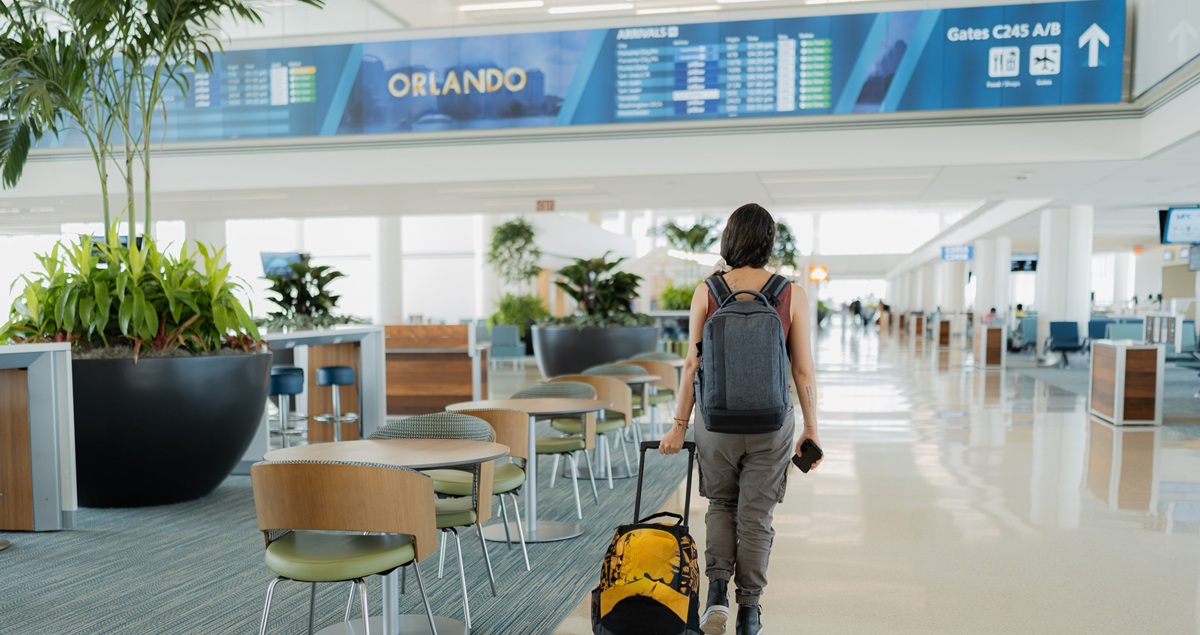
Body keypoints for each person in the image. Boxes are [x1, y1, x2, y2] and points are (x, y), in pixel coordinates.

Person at [660, 203, 822, 635]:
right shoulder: (791, 293)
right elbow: (802, 370)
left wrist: (679, 425)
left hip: (715, 422)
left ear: (729, 240)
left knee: (721, 504)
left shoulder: (707, 291)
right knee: (756, 516)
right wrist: (811, 429)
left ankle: (715, 594)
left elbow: (692, 366)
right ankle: (749, 613)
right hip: (771, 424)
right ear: (769, 243)